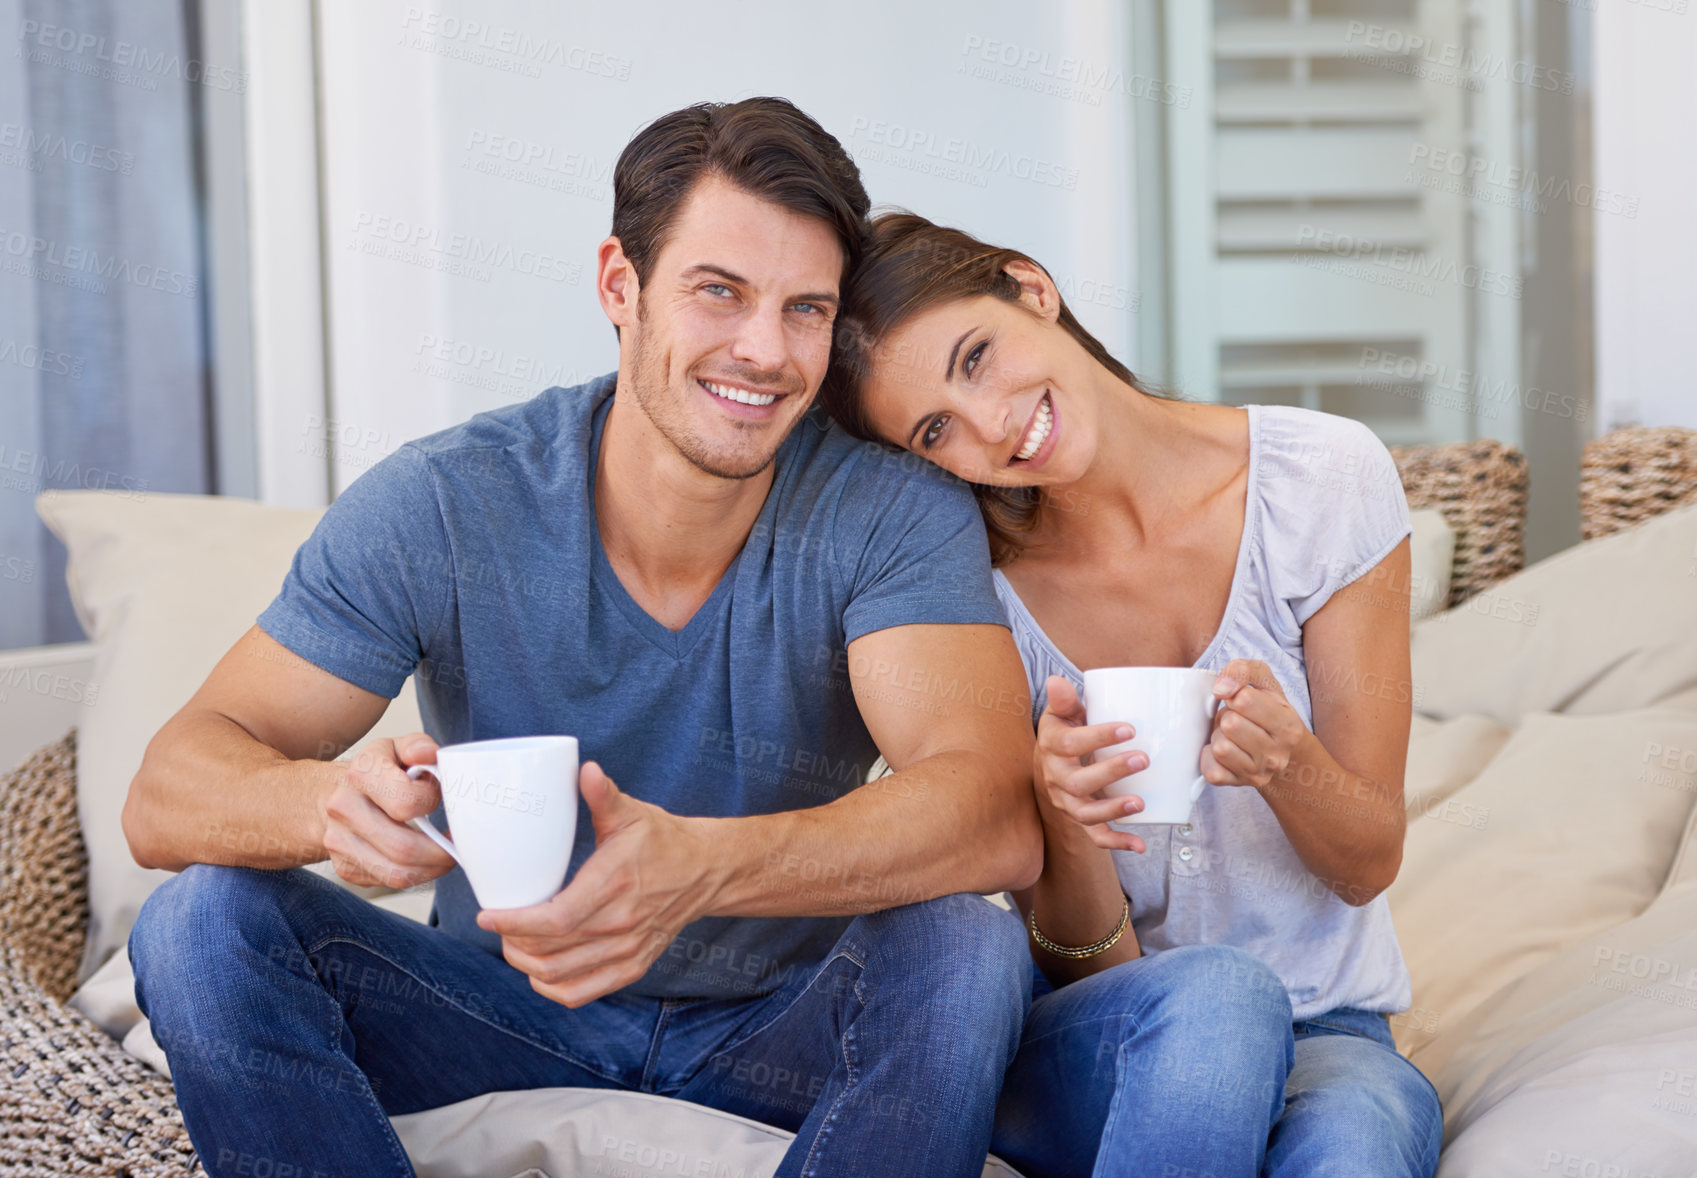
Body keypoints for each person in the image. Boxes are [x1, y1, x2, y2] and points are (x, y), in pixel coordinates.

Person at [122, 103, 1043, 1178]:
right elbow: (165, 793)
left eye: (804, 309)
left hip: (782, 1028)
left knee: (966, 946)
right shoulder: (446, 500)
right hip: (494, 1013)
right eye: (718, 291)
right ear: (619, 283)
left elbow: (989, 813)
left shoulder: (886, 509)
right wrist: (322, 804)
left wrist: (698, 869)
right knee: (200, 922)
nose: (762, 349)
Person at [819, 212, 1444, 1178]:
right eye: (935, 429)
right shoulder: (969, 595)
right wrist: (1067, 827)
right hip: (1105, 1035)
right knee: (1216, 1011)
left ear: (1032, 288)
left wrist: (1287, 765)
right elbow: (1078, 966)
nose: (991, 426)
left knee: (1356, 1139)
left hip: (1329, 1028)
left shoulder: (1322, 479)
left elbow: (1367, 861)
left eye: (976, 357)